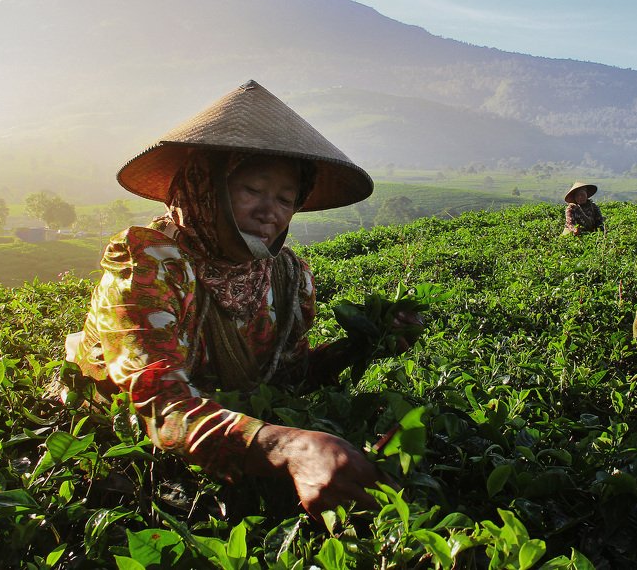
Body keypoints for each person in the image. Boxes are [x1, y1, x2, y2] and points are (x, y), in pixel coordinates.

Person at [64, 80, 420, 517]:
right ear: (206, 186)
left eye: (286, 199)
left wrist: (362, 344)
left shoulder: (288, 277)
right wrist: (288, 447)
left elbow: (285, 378)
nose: (270, 210)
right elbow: (158, 404)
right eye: (252, 190)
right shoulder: (152, 263)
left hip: (230, 438)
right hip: (114, 452)